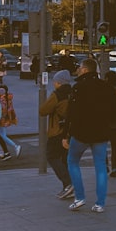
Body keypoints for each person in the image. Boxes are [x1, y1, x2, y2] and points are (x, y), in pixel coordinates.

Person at [66, 58, 116, 212]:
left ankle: (80, 197)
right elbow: (115, 109)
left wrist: (67, 134)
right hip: (101, 133)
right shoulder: (106, 87)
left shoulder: (78, 87)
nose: (78, 69)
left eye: (80, 67)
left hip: (81, 133)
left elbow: (72, 113)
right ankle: (100, 203)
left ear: (86, 70)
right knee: (101, 166)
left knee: (72, 161)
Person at [39, 70, 74, 199]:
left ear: (59, 82)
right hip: (69, 131)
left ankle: (68, 183)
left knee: (52, 156)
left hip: (57, 131)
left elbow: (43, 110)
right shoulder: (72, 93)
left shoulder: (57, 95)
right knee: (65, 160)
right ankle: (68, 187)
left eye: (55, 81)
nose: (53, 83)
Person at [0, 83, 21, 158]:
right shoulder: (7, 98)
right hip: (6, 118)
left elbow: (2, 110)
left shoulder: (2, 99)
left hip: (2, 119)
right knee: (2, 134)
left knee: (2, 136)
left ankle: (15, 146)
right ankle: (1, 150)